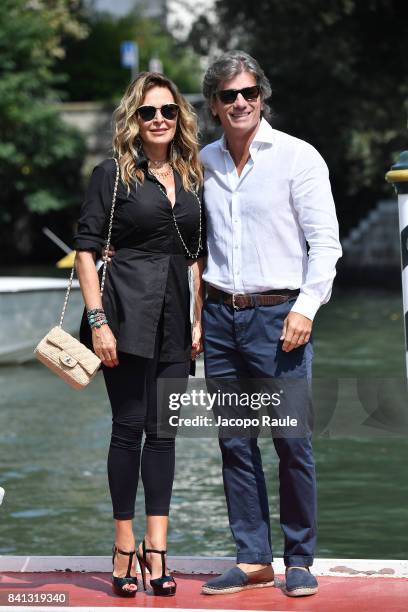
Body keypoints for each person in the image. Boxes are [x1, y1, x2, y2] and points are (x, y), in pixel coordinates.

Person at [199, 51, 342, 597]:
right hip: (218, 317)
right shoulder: (204, 162)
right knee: (235, 443)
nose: (241, 103)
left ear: (262, 97)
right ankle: (253, 559)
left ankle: (300, 559)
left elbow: (325, 245)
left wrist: (305, 308)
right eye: (230, 95)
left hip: (280, 317)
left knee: (292, 442)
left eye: (250, 93)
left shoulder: (297, 157)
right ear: (214, 104)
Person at [73, 72, 205, 598]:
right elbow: (86, 249)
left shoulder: (192, 177)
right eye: (149, 111)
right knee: (128, 428)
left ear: (180, 118)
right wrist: (98, 319)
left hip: (178, 316)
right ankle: (124, 545)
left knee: (165, 434)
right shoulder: (112, 175)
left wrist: (197, 317)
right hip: (123, 315)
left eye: (168, 111)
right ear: (134, 118)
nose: (158, 120)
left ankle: (158, 547)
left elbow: (197, 255)